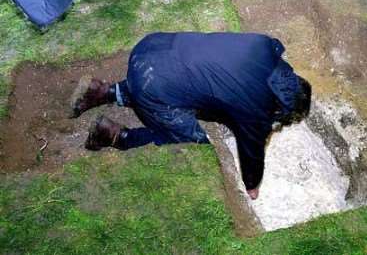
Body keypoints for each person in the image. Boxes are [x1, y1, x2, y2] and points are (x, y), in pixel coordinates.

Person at [70, 32, 311, 200]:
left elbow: (273, 49)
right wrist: (252, 185)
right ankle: (116, 136)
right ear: (279, 108)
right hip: (152, 84)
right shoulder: (255, 109)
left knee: (183, 81)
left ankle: (105, 91)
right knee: (195, 135)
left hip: (153, 47)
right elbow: (252, 151)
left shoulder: (265, 47)